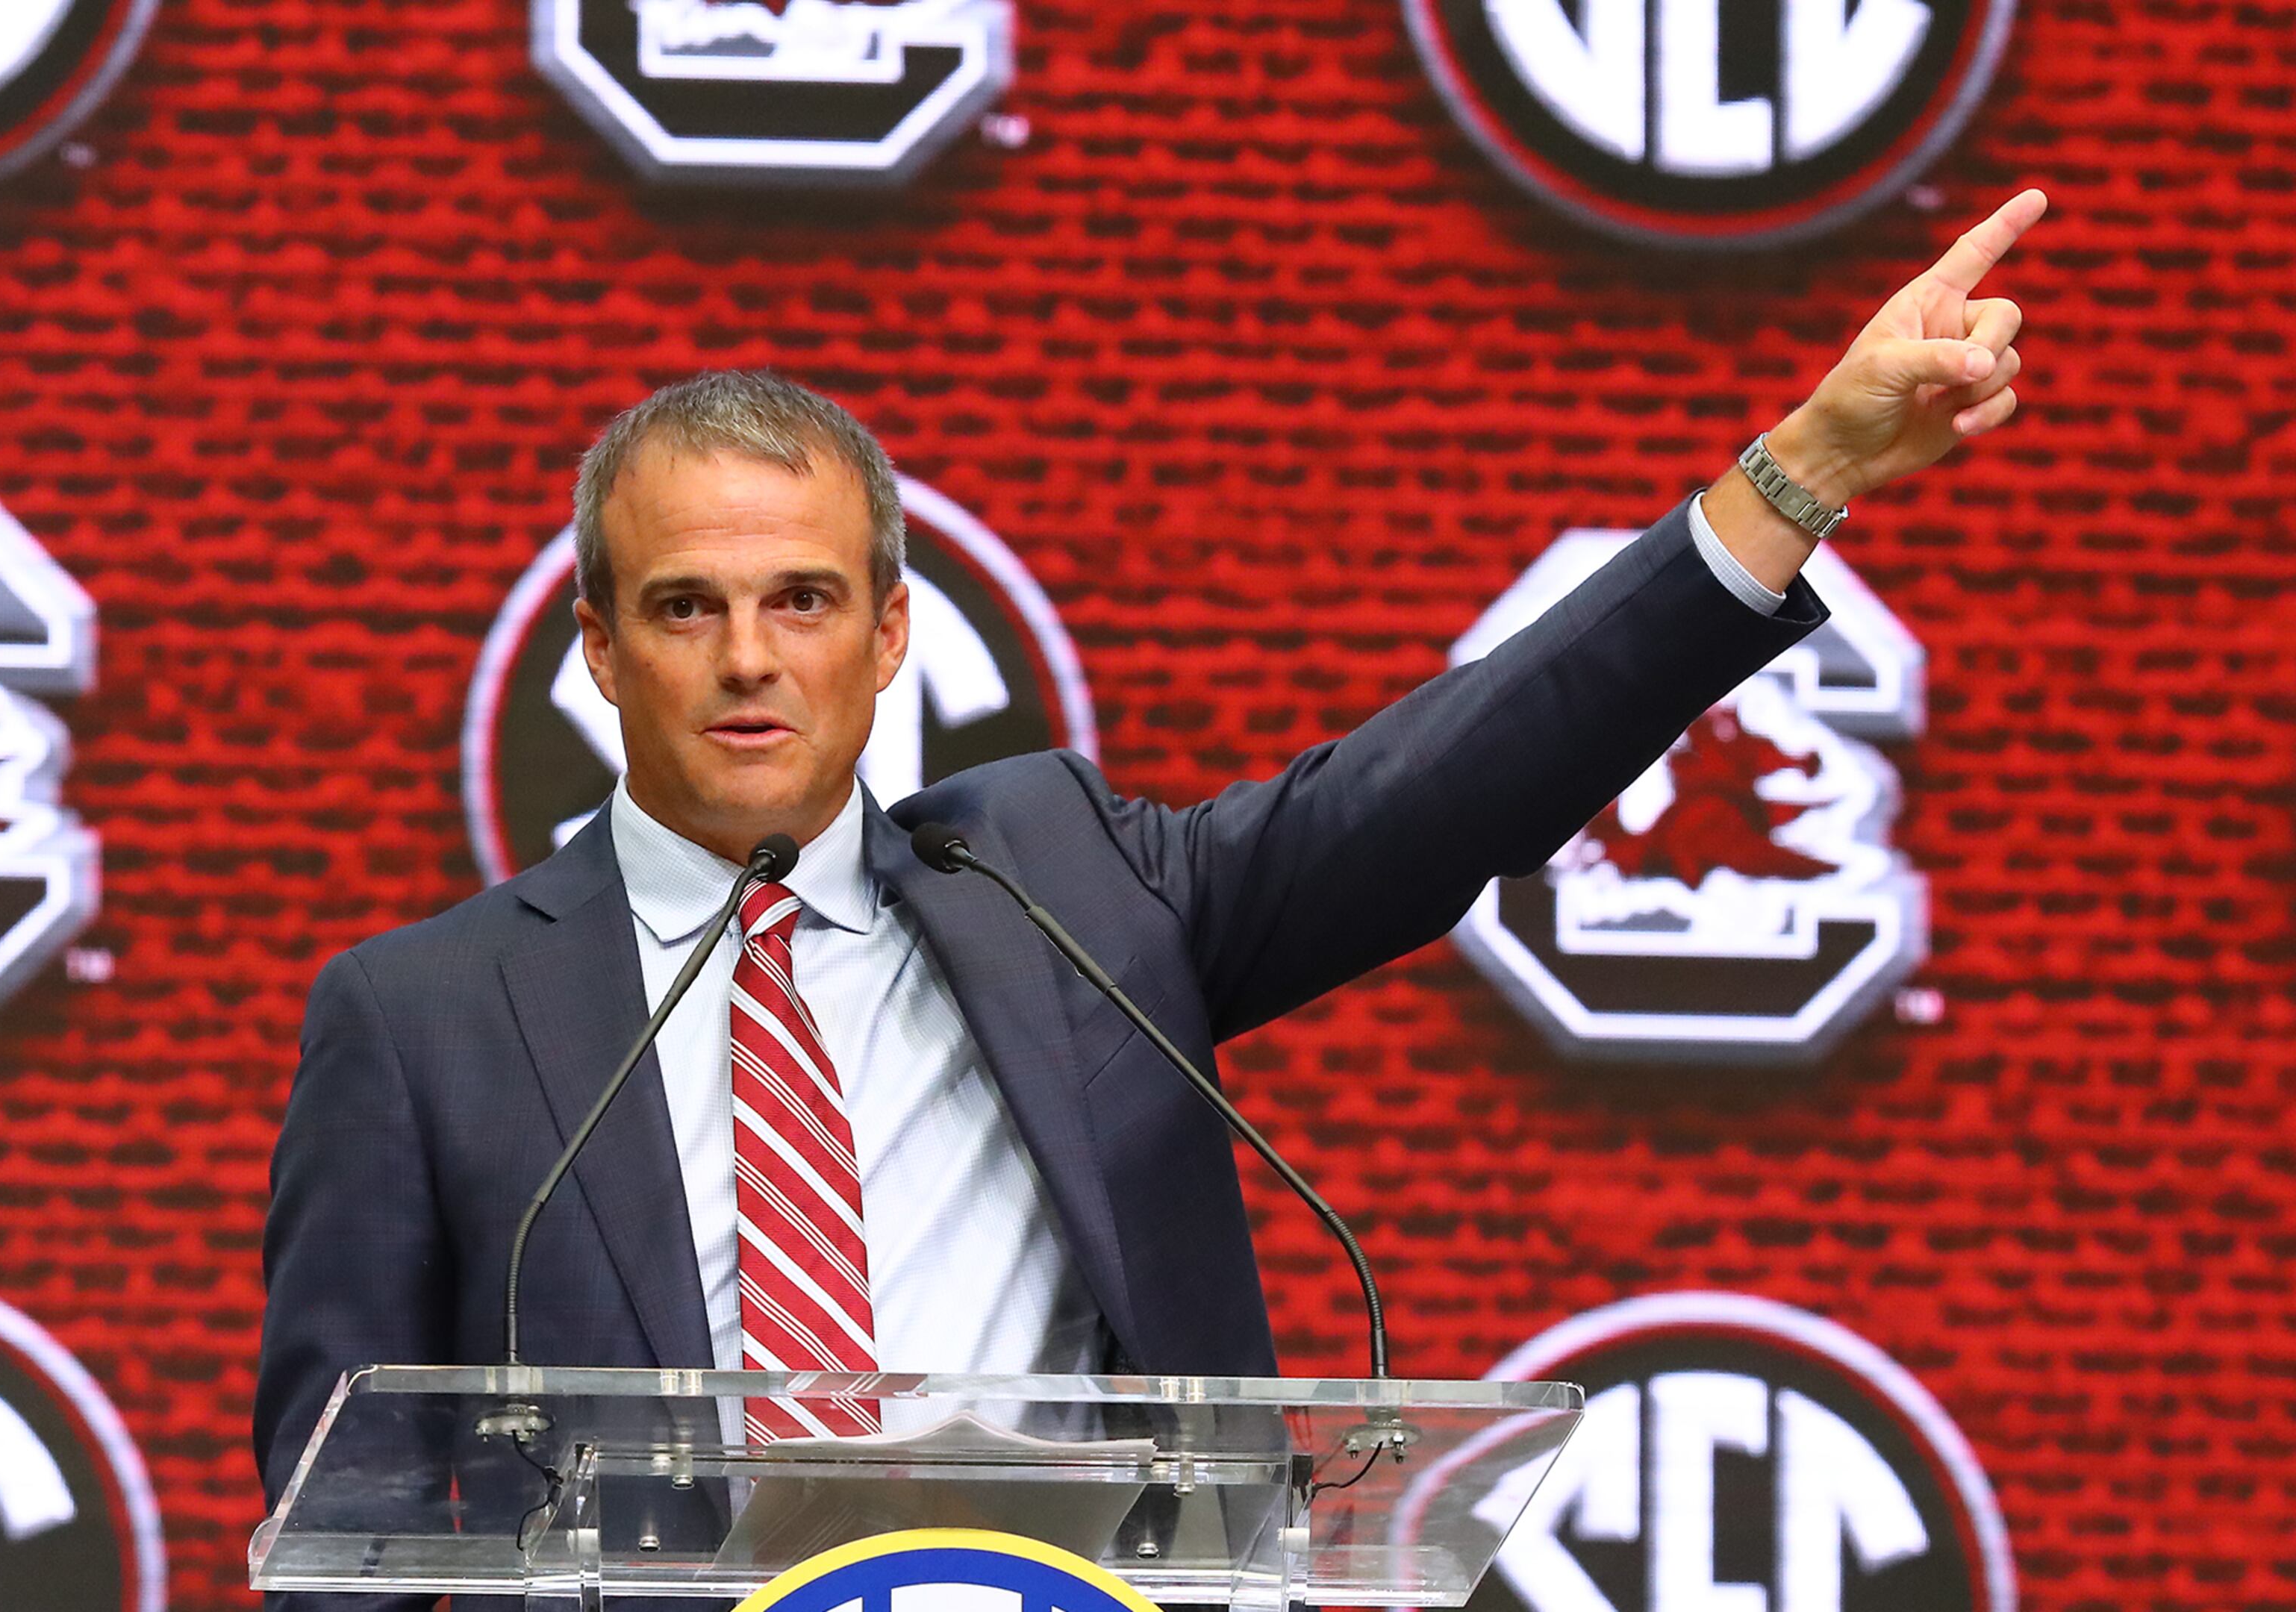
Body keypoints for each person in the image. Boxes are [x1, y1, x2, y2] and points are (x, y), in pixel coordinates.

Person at [256, 191, 2045, 1530]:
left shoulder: (1069, 894)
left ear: (889, 636)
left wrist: (1798, 473)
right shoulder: (421, 1021)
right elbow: (347, 1526)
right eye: (686, 607)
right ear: (597, 647)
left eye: (801, 601)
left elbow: (1449, 786)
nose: (748, 660)